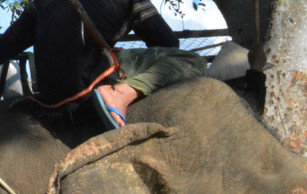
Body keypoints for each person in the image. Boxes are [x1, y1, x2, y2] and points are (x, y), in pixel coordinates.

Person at [0, 0, 204, 129]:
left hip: (48, 96)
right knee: (190, 60)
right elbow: (167, 43)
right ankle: (119, 95)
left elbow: (7, 45)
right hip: (88, 86)